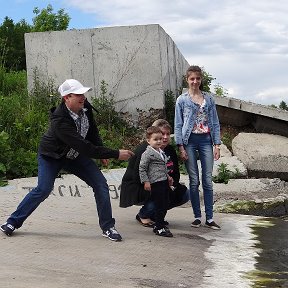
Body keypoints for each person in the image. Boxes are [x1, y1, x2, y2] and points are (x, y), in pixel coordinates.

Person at [0, 79, 134, 241]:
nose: (82, 97)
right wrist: (115, 153)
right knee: (43, 189)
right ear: (66, 98)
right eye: (78, 94)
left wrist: (103, 152)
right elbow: (84, 146)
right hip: (52, 157)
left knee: (100, 185)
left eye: (83, 93)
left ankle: (108, 227)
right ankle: (12, 222)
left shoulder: (85, 107)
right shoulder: (60, 121)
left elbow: (92, 132)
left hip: (75, 156)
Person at [174, 65, 221, 230]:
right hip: (189, 141)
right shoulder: (182, 100)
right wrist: (180, 146)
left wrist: (217, 145)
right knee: (194, 181)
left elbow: (214, 122)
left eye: (198, 78)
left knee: (207, 180)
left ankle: (209, 218)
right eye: (192, 78)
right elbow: (178, 125)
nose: (195, 81)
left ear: (201, 80)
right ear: (187, 80)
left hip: (206, 140)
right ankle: (196, 216)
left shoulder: (209, 99)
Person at [119, 119, 189, 227]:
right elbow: (138, 174)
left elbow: (175, 173)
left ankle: (155, 215)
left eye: (167, 134)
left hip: (163, 183)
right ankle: (143, 214)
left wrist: (173, 184)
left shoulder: (170, 150)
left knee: (184, 193)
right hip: (139, 185)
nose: (164, 138)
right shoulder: (145, 151)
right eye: (161, 134)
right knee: (160, 192)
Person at [139, 126, 173, 237]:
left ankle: (159, 223)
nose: (159, 141)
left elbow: (162, 166)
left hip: (163, 181)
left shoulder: (160, 152)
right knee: (160, 204)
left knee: (165, 202)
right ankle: (159, 227)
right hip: (155, 183)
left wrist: (167, 176)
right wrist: (146, 181)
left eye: (160, 138)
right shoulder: (148, 153)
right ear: (148, 141)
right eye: (155, 139)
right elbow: (142, 168)